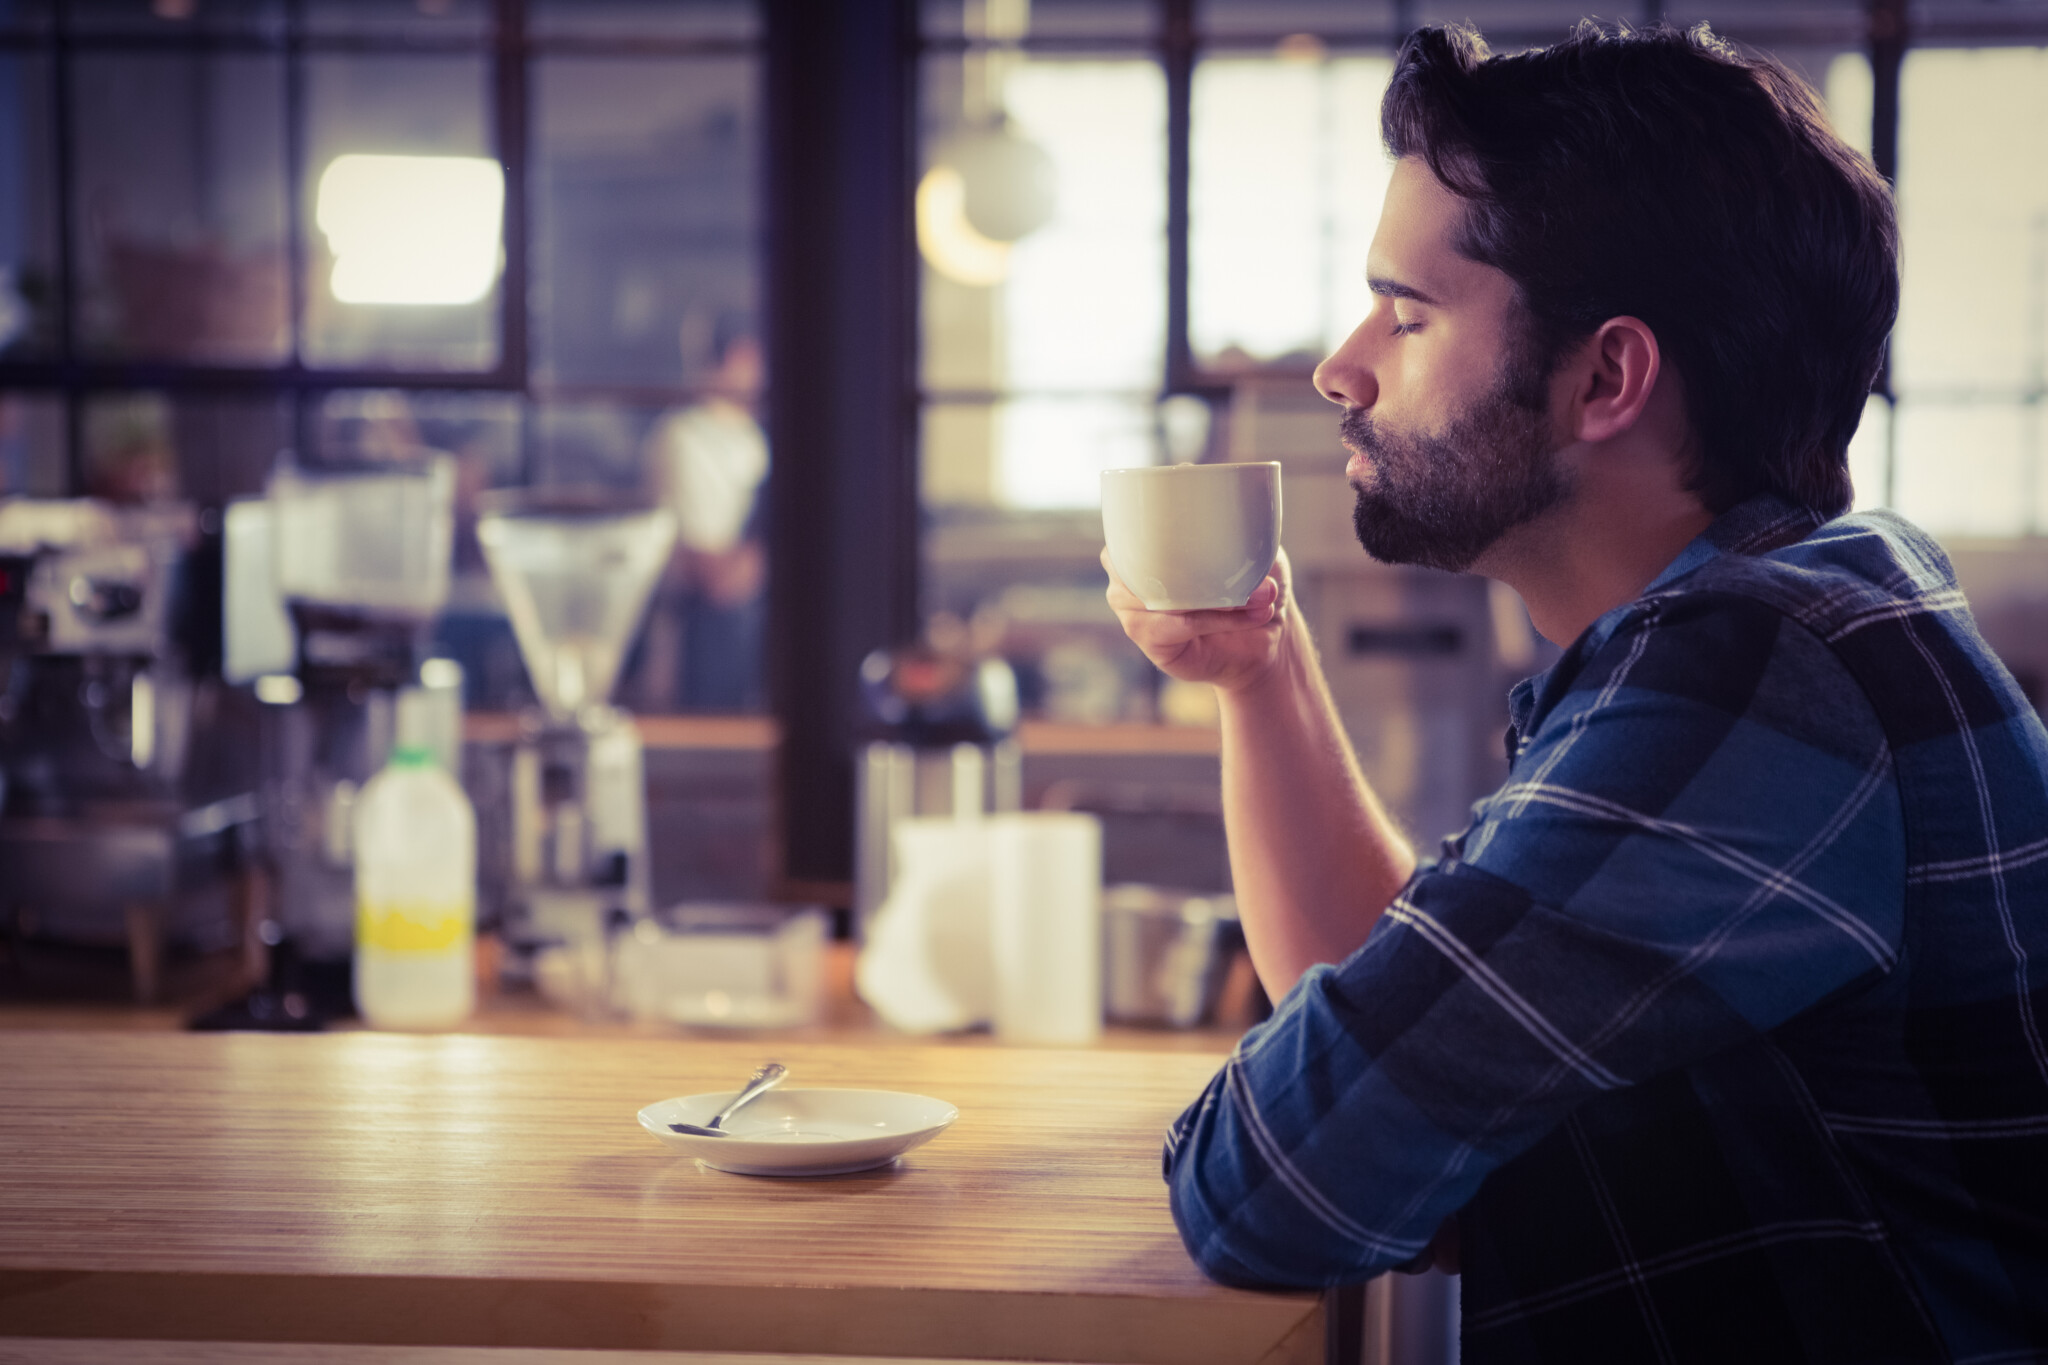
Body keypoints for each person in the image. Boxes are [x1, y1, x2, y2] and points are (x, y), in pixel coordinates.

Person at [1106, 21, 2048, 1361]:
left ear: (1607, 377)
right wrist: (1260, 673)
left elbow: (1274, 1184)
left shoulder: (1756, 682)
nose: (1340, 366)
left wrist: (1338, 1099)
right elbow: (1421, 1020)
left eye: (1409, 312)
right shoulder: (1788, 614)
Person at [643, 325, 768, 710]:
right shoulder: (684, 436)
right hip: (700, 632)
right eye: (749, 361)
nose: (760, 373)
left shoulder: (755, 437)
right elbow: (714, 576)